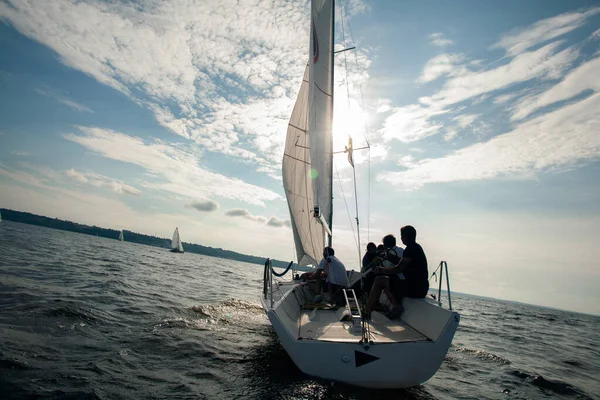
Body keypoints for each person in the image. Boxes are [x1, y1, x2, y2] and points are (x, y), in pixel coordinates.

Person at [366, 226, 429, 319]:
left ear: (405, 237)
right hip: (421, 287)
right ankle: (395, 306)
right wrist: (389, 257)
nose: (401, 238)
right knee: (390, 280)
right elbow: (403, 262)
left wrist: (381, 269)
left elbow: (397, 269)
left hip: (415, 288)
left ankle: (367, 310)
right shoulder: (416, 248)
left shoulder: (410, 249)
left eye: (402, 236)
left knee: (380, 280)